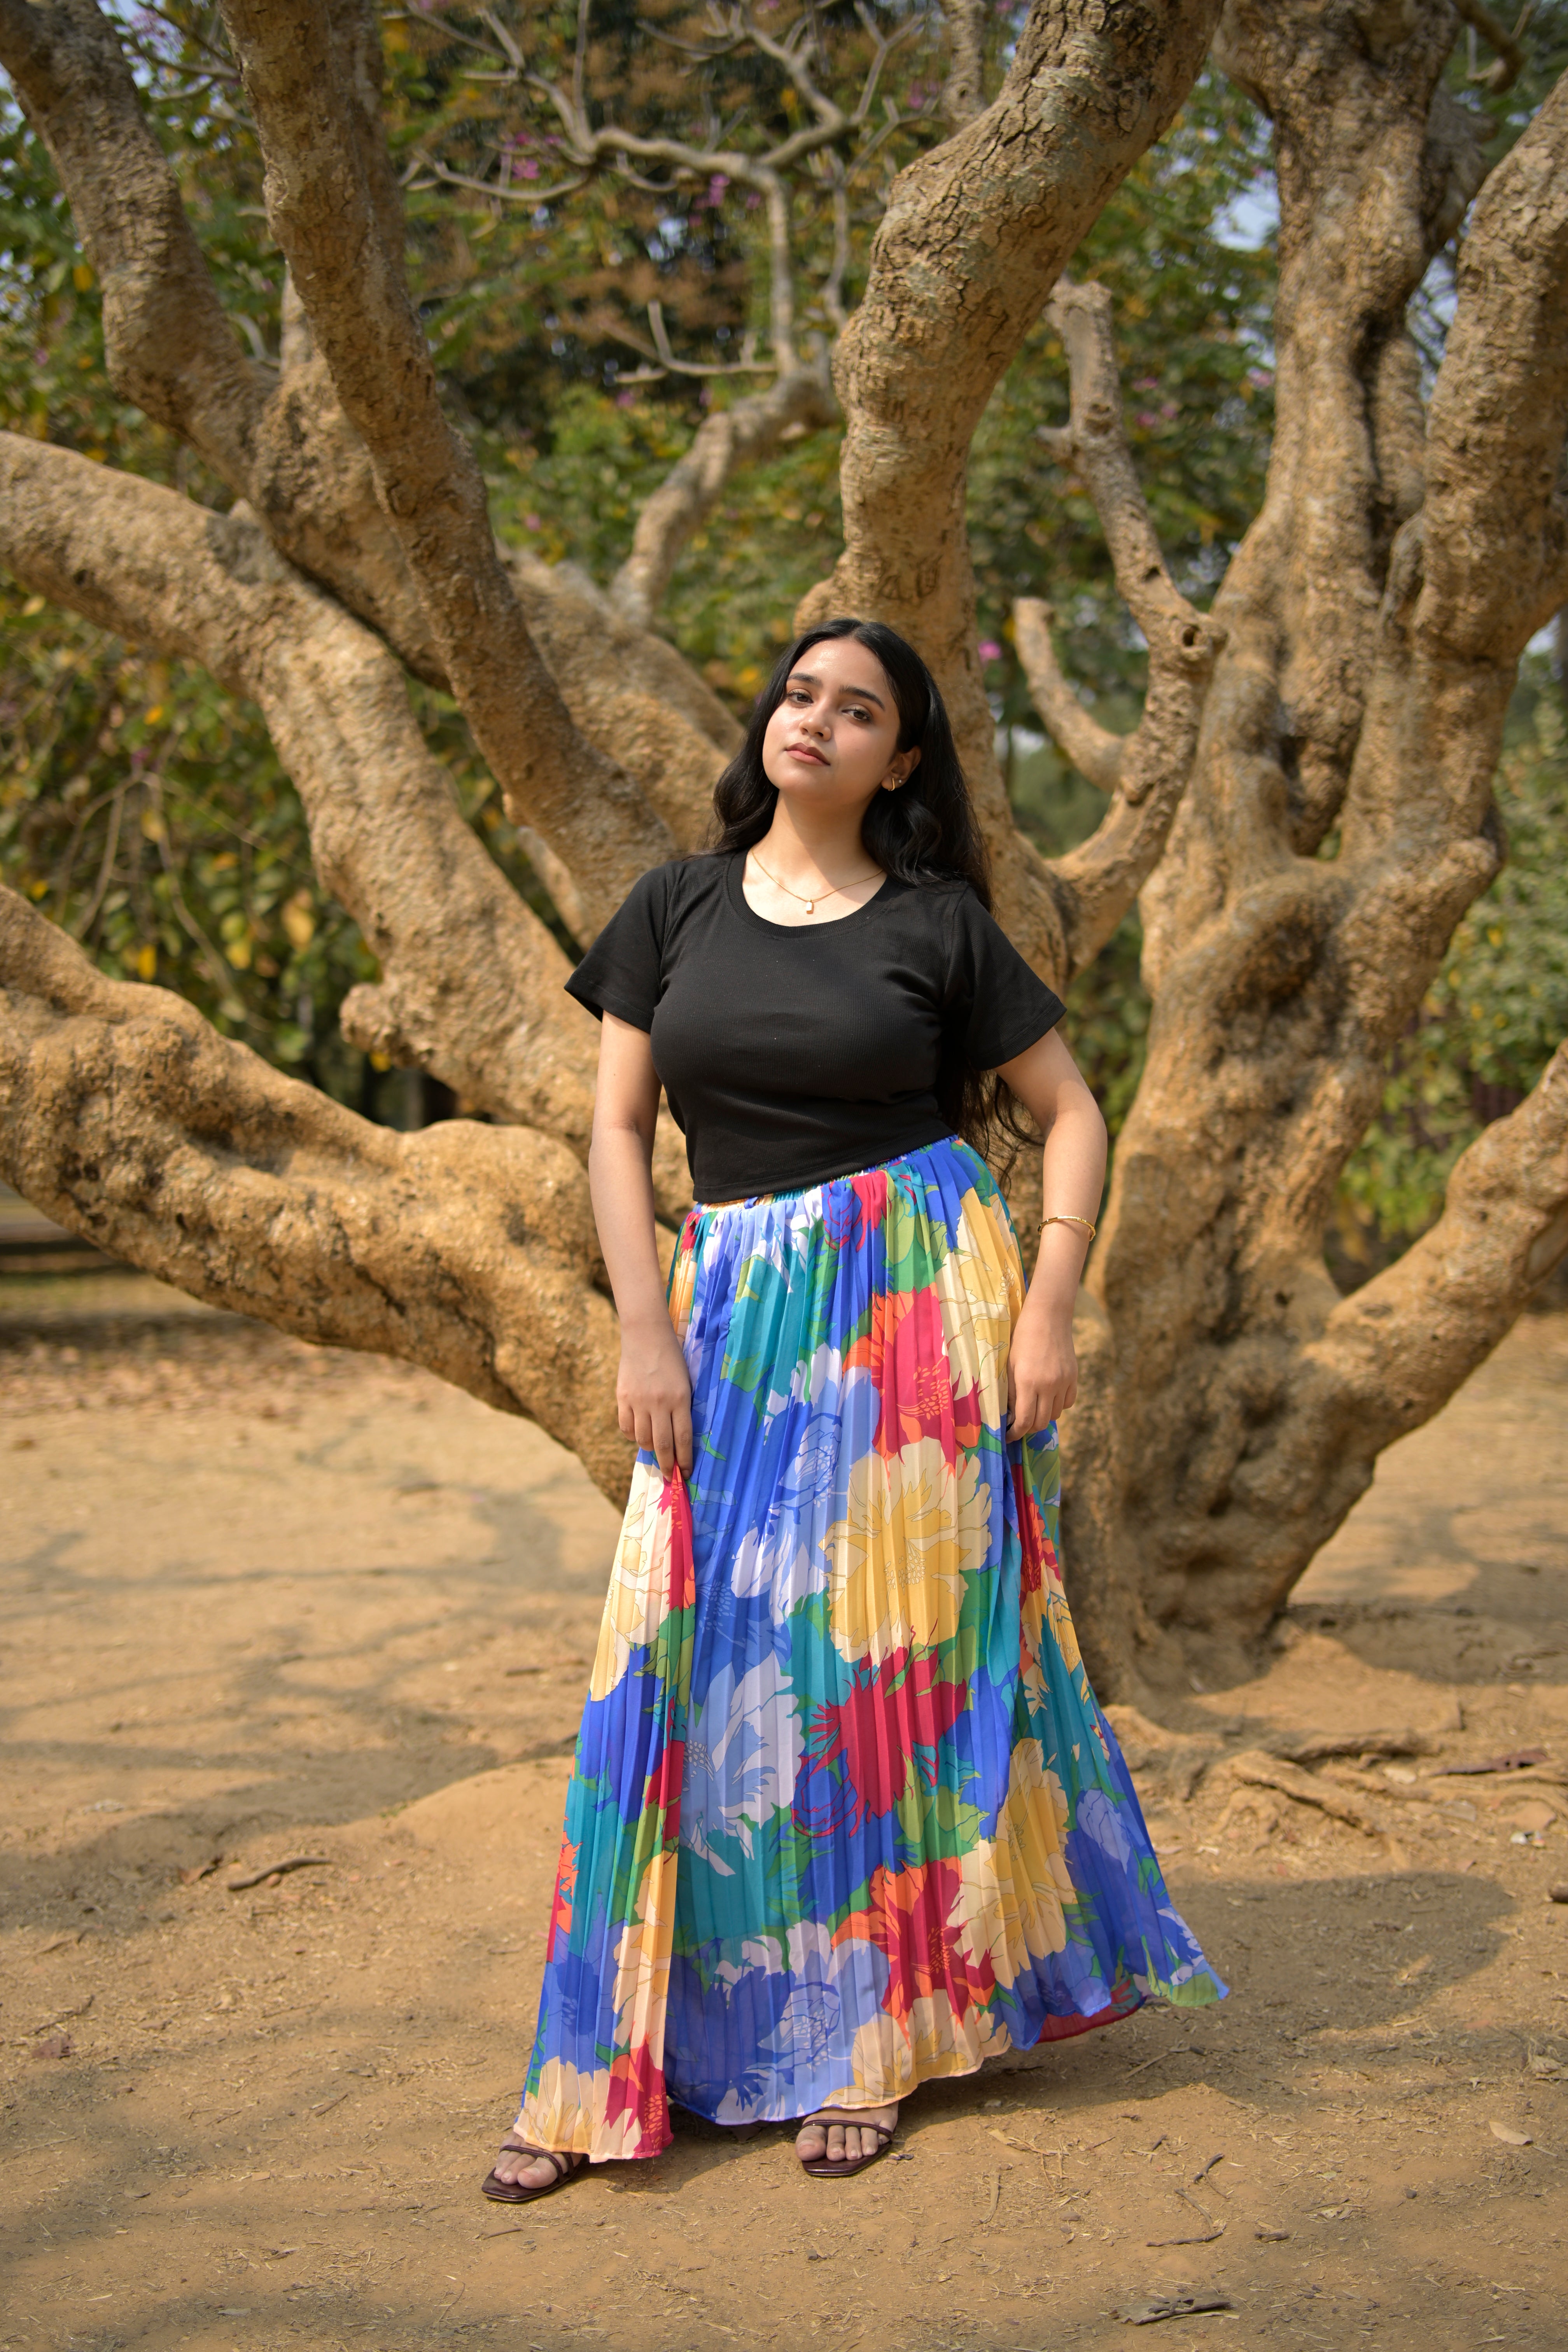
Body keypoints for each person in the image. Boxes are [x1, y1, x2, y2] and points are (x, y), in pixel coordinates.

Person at [482, 617, 1223, 2203]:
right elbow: (617, 1133)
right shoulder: (673, 907)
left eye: (860, 707)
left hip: (919, 1309)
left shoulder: (942, 927)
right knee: (690, 1659)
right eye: (801, 692)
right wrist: (643, 1326)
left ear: (901, 761)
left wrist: (1049, 1303)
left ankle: (869, 2036)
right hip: (733, 1310)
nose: (815, 719)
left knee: (886, 1669)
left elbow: (1075, 1112)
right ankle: (607, 2061)